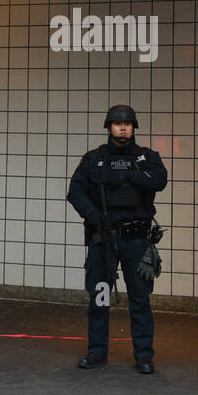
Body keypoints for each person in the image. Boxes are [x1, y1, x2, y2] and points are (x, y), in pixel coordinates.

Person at [67, 105, 168, 374]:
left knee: (140, 300)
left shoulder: (148, 158)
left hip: (136, 240)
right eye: (117, 124)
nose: (123, 128)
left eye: (127, 124)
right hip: (103, 238)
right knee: (99, 297)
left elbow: (160, 180)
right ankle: (97, 352)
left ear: (134, 128)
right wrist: (92, 214)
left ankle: (144, 356)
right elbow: (75, 191)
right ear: (109, 127)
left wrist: (131, 175)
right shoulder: (93, 159)